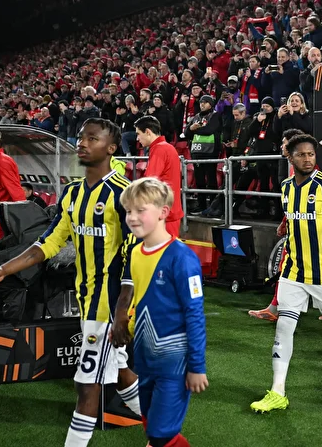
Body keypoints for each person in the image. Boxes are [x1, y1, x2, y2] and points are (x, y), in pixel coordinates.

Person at [0, 118, 141, 447]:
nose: (82, 143)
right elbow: (48, 243)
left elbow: (135, 254)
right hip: (87, 298)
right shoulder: (73, 193)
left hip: (112, 304)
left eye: (92, 138)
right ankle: (167, 430)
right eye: (81, 137)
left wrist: (122, 309)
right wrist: (5, 269)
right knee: (120, 369)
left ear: (111, 148)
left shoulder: (124, 194)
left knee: (87, 386)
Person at [250, 134, 322, 413]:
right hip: (292, 273)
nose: (308, 159)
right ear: (290, 157)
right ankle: (278, 391)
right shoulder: (286, 187)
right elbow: (293, 219)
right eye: (301, 154)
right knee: (284, 327)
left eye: (311, 154)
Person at [111, 178, 207, 447]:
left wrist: (197, 367)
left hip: (174, 362)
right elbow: (142, 302)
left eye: (140, 210)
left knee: (160, 434)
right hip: (144, 359)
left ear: (163, 212)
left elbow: (195, 315)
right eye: (128, 211)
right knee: (151, 425)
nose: (132, 217)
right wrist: (126, 330)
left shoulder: (182, 258)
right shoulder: (135, 253)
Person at [248, 128, 304, 322]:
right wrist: (284, 222)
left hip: (306, 231)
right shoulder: (291, 168)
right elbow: (292, 202)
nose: (281, 146)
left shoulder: (304, 170)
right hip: (295, 228)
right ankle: (276, 308)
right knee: (287, 267)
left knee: (306, 269)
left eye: (284, 143)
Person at [135, 116, 184, 237]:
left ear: (148, 132)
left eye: (138, 134)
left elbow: (149, 182)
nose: (137, 138)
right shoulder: (166, 147)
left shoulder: (159, 149)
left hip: (164, 215)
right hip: (169, 211)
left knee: (162, 249)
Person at [185, 95, 222, 213]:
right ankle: (201, 206)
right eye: (201, 102)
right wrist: (191, 128)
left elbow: (209, 130)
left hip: (211, 152)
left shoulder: (215, 115)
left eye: (205, 102)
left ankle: (212, 207)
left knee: (211, 180)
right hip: (197, 152)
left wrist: (194, 129)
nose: (202, 104)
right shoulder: (196, 117)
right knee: (199, 181)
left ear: (211, 104)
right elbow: (186, 133)